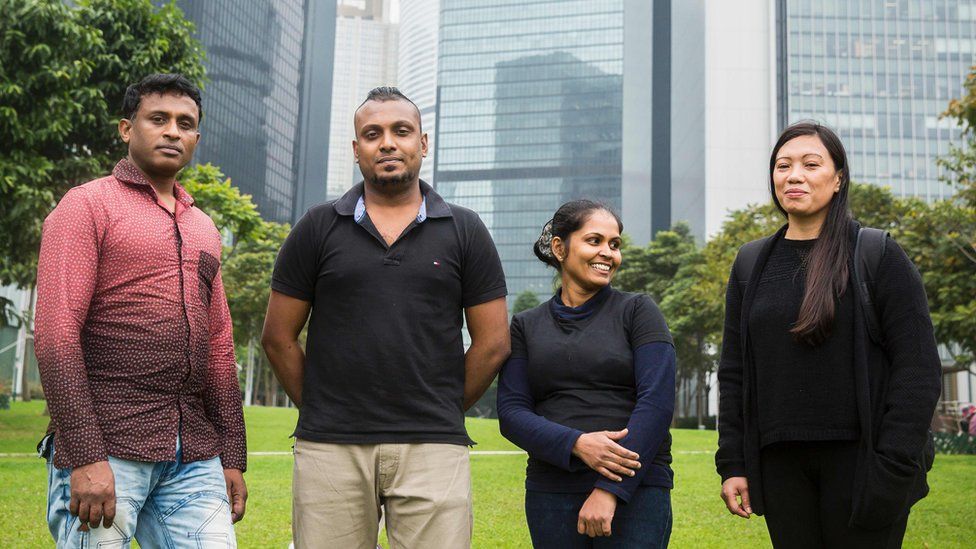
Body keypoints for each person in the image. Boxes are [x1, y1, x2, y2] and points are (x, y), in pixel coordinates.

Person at [261, 86, 510, 549]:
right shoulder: (316, 227)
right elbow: (278, 337)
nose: (388, 143)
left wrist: (441, 405)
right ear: (357, 150)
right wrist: (321, 407)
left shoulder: (465, 229)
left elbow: (493, 342)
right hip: (330, 446)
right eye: (372, 134)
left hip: (434, 445)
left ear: (423, 142)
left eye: (402, 131)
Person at [34, 74, 247, 548]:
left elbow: (217, 346)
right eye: (159, 119)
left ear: (196, 137)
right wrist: (86, 454)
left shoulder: (204, 227)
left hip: (192, 451)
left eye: (185, 123)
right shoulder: (86, 206)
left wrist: (231, 454)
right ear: (127, 129)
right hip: (108, 445)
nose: (173, 131)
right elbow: (55, 334)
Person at [715, 122, 942, 547]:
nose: (793, 175)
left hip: (862, 463)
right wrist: (733, 463)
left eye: (810, 164)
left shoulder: (876, 253)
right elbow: (734, 372)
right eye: (783, 166)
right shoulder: (750, 264)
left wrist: (892, 465)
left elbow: (918, 369)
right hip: (780, 467)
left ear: (838, 179)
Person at [497, 200, 676, 548]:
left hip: (636, 490)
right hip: (552, 491)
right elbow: (512, 412)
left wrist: (610, 490)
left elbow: (656, 402)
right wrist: (577, 444)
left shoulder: (639, 311)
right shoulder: (525, 325)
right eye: (594, 241)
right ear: (560, 248)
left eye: (615, 244)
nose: (608, 253)